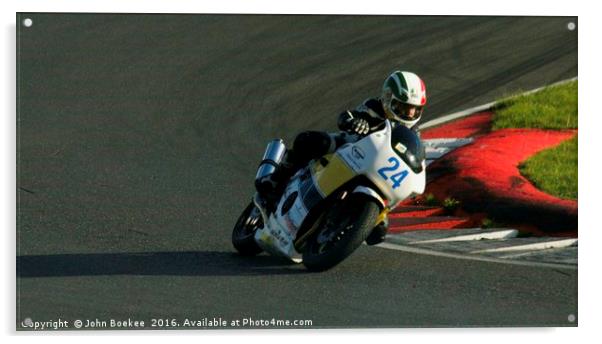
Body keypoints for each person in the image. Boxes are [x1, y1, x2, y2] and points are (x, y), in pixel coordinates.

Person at [255, 70, 427, 245]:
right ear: (388, 98)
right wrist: (354, 122)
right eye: (404, 107)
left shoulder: (414, 133)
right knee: (308, 140)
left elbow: (417, 157)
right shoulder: (374, 107)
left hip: (378, 170)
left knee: (379, 233)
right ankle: (277, 179)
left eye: (415, 110)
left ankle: (355, 220)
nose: (409, 114)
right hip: (349, 147)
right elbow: (346, 116)